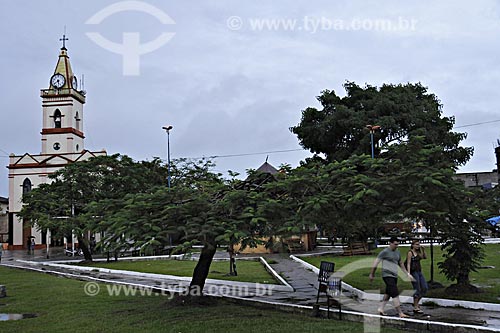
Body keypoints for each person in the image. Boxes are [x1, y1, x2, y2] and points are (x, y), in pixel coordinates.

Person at [369, 236, 414, 318]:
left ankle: (381, 308)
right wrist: (372, 274)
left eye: (398, 244)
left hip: (394, 275)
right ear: (390, 243)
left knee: (388, 293)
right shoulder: (385, 252)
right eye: (395, 244)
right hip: (387, 275)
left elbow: (400, 263)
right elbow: (376, 263)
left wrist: (407, 274)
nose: (396, 246)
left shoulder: (398, 252)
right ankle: (400, 312)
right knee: (395, 293)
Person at [406, 240, 428, 314]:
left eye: (418, 244)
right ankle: (416, 307)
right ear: (412, 245)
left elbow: (424, 257)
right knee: (417, 289)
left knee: (424, 288)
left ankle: (416, 303)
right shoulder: (410, 253)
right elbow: (408, 263)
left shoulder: (418, 253)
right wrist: (408, 273)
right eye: (416, 244)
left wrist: (423, 250)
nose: (418, 246)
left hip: (419, 272)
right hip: (413, 272)